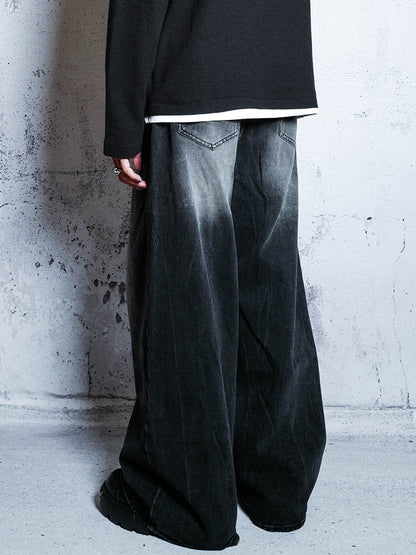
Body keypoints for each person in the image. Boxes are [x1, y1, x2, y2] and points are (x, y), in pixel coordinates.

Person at [98, 0, 327, 550]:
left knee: (188, 293)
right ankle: (278, 490)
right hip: (278, 76)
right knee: (269, 284)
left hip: (194, 78)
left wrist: (123, 122)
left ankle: (186, 503)